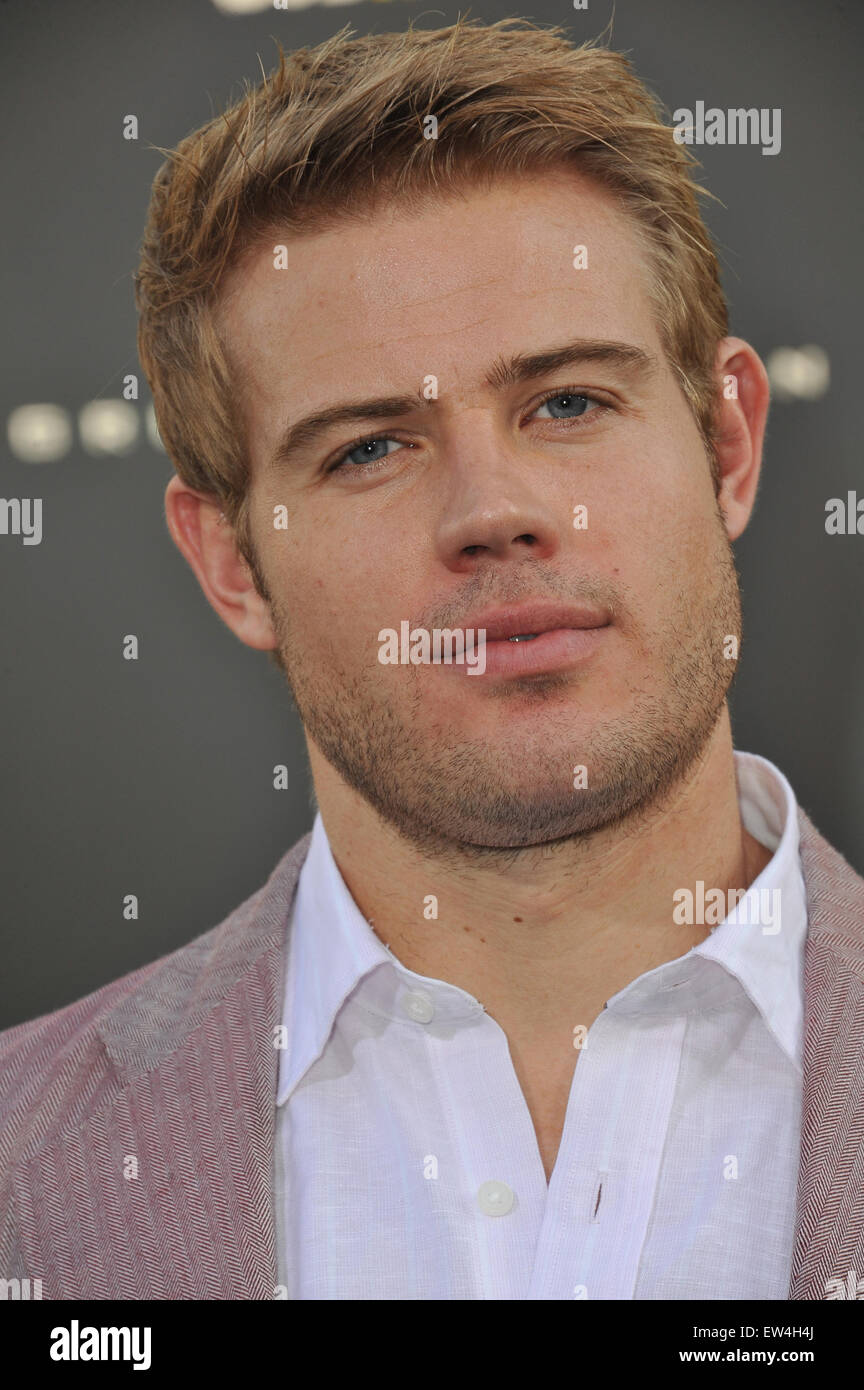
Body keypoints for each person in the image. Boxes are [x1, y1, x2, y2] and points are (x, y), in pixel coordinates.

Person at [2, 18, 863, 1302]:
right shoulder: (26, 1155)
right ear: (234, 563)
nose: (492, 510)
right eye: (368, 447)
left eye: (567, 401)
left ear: (728, 446)